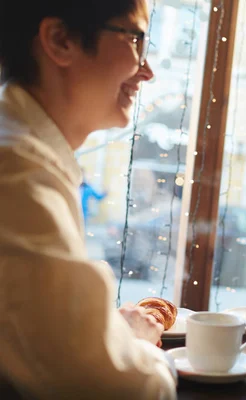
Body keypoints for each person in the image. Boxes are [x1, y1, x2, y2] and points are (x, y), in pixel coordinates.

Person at [0, 1, 176, 398]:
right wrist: (141, 350)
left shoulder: (27, 155)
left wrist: (101, 333)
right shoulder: (18, 176)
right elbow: (122, 387)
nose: (147, 71)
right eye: (135, 40)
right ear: (60, 40)